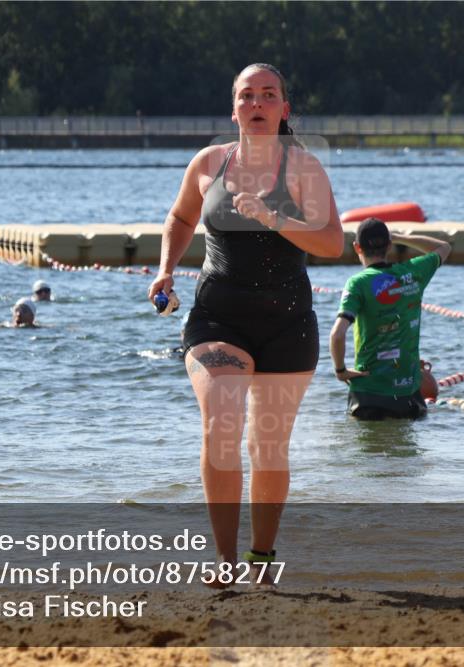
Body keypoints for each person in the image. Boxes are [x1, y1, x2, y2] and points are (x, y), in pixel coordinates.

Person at [147, 63, 343, 587]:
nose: (257, 103)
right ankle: (224, 559)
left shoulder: (304, 170)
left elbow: (331, 243)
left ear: (284, 109)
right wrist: (167, 266)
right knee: (221, 425)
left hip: (287, 324)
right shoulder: (210, 162)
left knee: (269, 446)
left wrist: (273, 217)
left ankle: (260, 557)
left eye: (268, 95)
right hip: (218, 317)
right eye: (247, 95)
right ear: (233, 109)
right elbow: (180, 217)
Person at [329, 218, 450, 420]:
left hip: (368, 394)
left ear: (357, 247)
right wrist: (400, 237)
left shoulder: (358, 283)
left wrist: (341, 370)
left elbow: (337, 334)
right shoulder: (412, 272)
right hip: (408, 394)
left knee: (367, 449)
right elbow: (443, 247)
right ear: (389, 245)